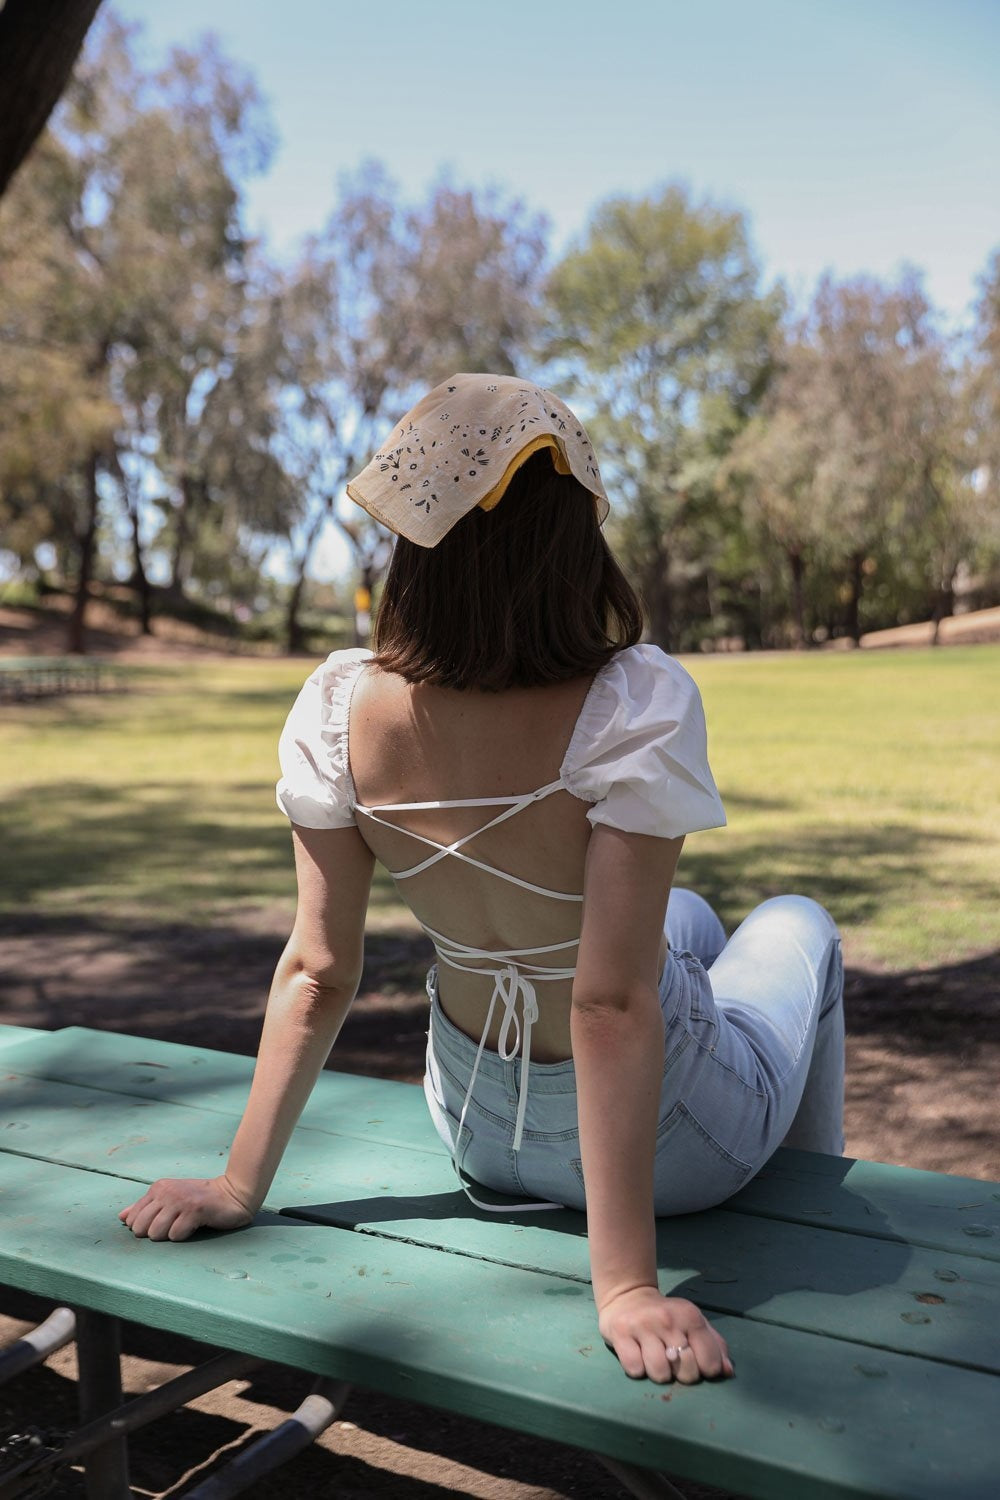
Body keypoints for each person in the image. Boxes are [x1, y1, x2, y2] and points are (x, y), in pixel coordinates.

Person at [120, 374, 845, 1388]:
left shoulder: (338, 707)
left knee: (681, 916)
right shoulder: (633, 700)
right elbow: (609, 1001)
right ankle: (819, 1202)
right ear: (572, 542)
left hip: (473, 1128)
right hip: (678, 1155)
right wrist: (626, 1286)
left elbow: (317, 971)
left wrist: (239, 1184)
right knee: (796, 920)